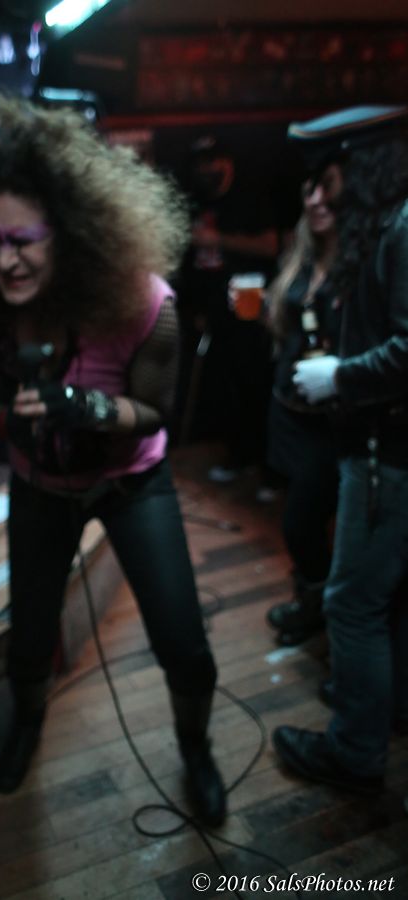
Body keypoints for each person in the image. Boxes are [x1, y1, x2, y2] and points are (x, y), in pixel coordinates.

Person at [0, 93, 227, 826]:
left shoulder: (144, 304)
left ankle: (197, 751)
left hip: (132, 481)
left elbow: (157, 413)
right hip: (40, 485)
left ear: (73, 234)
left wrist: (89, 410)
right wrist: (11, 425)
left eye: (22, 240)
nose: (4, 259)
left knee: (185, 646)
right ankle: (27, 723)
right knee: (29, 639)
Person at [273, 105, 408, 792]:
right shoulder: (388, 225)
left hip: (388, 455)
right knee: (390, 598)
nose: (320, 196)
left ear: (367, 166)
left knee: (352, 602)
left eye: (330, 178)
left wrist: (341, 377)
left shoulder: (402, 228)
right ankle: (384, 706)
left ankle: (354, 752)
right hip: (385, 447)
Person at [261, 176, 340, 646]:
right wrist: (265, 311)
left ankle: (325, 610)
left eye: (324, 190)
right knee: (301, 514)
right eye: (307, 191)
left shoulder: (358, 261)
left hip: (328, 419)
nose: (314, 201)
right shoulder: (301, 255)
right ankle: (313, 604)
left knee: (302, 522)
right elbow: (284, 321)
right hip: (288, 408)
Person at [177, 135, 278, 484]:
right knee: (225, 389)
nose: (207, 169)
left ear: (228, 162)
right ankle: (238, 456)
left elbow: (270, 245)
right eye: (201, 163)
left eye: (213, 161)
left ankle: (268, 467)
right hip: (213, 312)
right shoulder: (195, 202)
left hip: (252, 313)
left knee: (257, 385)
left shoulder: (248, 200)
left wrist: (217, 239)